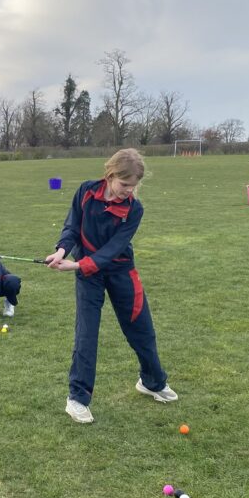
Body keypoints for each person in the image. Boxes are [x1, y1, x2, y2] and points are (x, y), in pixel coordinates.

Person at [44, 148, 177, 424]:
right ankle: (77, 398)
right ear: (110, 175)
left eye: (134, 186)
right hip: (88, 277)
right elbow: (71, 227)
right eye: (125, 184)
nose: (129, 190)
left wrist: (78, 265)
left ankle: (152, 382)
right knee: (86, 335)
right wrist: (61, 251)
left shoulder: (134, 210)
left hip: (120, 271)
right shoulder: (86, 192)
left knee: (142, 330)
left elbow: (112, 250)